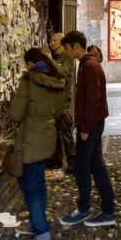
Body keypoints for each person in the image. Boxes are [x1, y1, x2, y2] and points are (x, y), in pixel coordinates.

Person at [9, 47, 68, 240]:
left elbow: (16, 114)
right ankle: (38, 224)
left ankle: (42, 235)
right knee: (38, 183)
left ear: (29, 64)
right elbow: (61, 111)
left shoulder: (29, 81)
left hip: (30, 142)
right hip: (48, 140)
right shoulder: (58, 79)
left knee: (30, 188)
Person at [58, 30, 116, 228]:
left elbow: (92, 99)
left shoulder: (89, 67)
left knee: (82, 169)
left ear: (75, 46)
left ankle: (84, 209)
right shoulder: (88, 64)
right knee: (97, 166)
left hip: (90, 126)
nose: (65, 52)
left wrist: (86, 127)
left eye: (66, 48)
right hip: (93, 124)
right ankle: (108, 209)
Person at [46, 32, 76, 181]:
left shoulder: (67, 58)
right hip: (51, 102)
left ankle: (72, 161)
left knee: (66, 134)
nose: (51, 43)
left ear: (61, 42)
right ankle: (56, 161)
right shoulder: (52, 59)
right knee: (54, 135)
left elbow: (63, 72)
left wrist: (50, 62)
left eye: (54, 40)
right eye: (50, 41)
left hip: (63, 102)